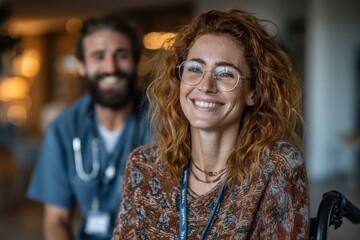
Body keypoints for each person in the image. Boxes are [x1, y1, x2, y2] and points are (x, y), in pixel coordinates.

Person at [112, 9, 309, 239]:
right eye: (194, 69)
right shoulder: (143, 167)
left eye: (226, 73)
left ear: (253, 92)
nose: (206, 85)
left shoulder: (276, 167)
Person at [27, 13, 151, 240]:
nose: (110, 67)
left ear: (135, 61)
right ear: (81, 66)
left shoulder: (163, 122)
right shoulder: (63, 128)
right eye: (98, 56)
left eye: (121, 55)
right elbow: (56, 220)